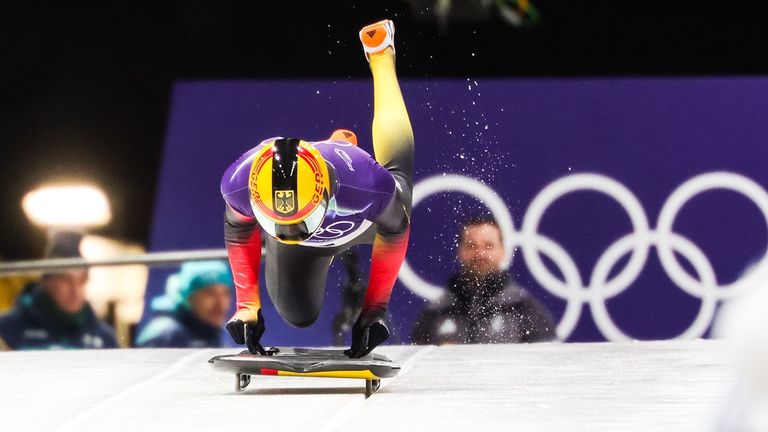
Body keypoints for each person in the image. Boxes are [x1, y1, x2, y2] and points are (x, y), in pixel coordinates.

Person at [220, 19, 413, 358]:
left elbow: (396, 232)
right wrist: (247, 305)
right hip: (310, 238)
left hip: (362, 217)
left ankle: (381, 55)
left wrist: (375, 309)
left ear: (326, 191)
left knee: (401, 193)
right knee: (298, 315)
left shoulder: (366, 185)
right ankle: (333, 145)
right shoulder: (239, 183)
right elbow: (238, 232)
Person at [411, 216, 557, 344]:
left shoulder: (526, 309)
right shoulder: (436, 312)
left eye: (488, 246)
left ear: (502, 251)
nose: (480, 254)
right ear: (460, 251)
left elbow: (547, 366)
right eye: (471, 246)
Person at [0, 231, 117, 350]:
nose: (75, 290)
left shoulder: (105, 338)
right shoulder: (7, 330)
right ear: (46, 281)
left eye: (82, 280)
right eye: (65, 280)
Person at [136, 261, 234, 348]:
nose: (220, 303)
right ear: (188, 296)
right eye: (210, 293)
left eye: (225, 293)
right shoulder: (164, 335)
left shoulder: (219, 333)